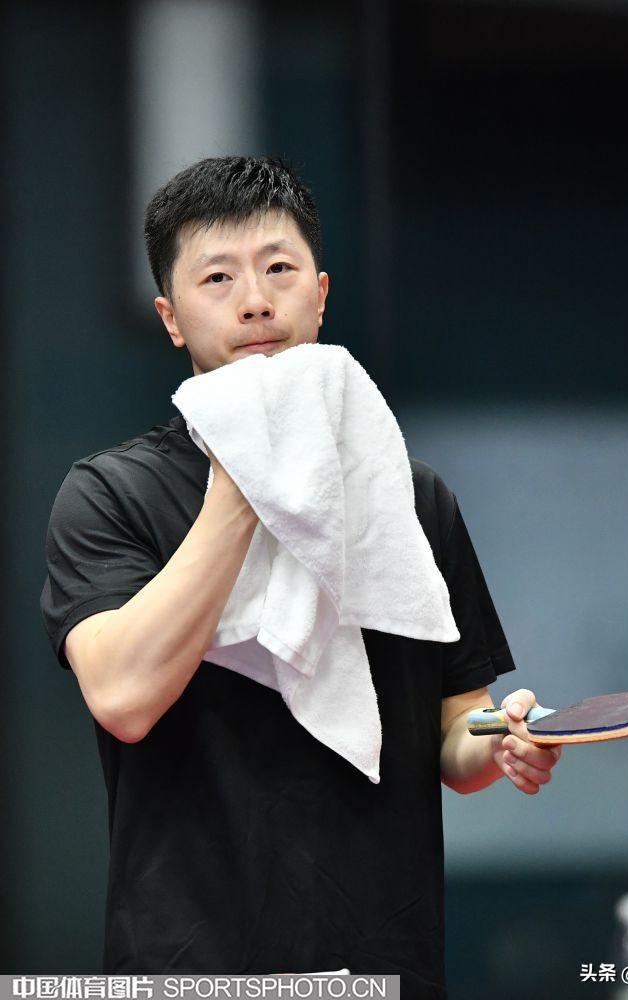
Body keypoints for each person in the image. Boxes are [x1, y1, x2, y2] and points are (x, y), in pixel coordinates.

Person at [40, 156, 560, 997]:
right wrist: (246, 481)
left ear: (319, 296)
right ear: (171, 319)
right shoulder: (109, 494)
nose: (254, 301)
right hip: (187, 969)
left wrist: (503, 740)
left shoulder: (412, 497)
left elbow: (454, 734)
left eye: (278, 269)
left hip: (383, 964)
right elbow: (125, 698)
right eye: (218, 278)